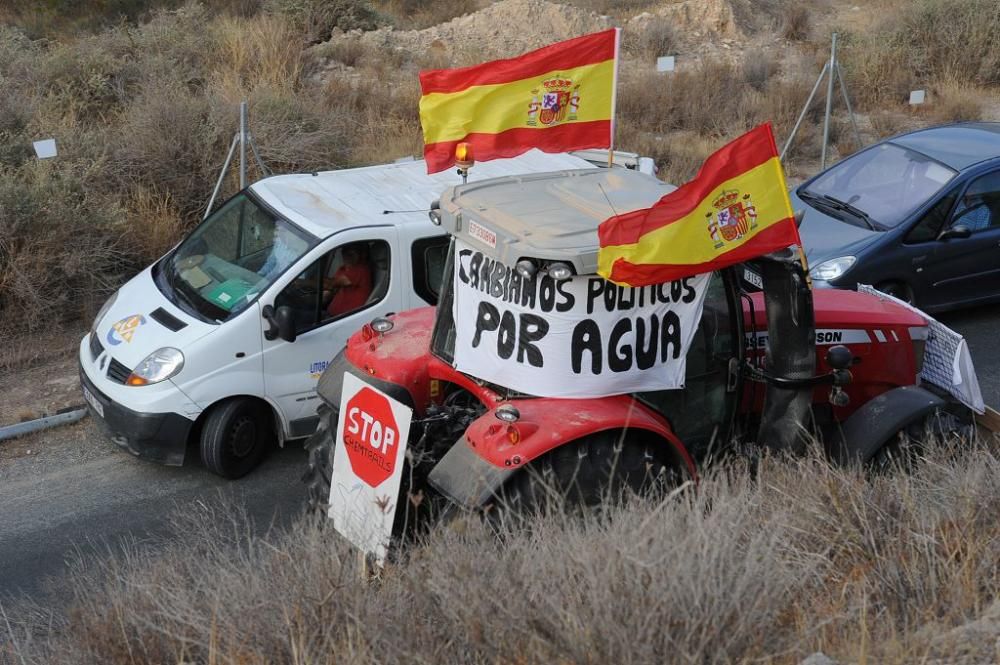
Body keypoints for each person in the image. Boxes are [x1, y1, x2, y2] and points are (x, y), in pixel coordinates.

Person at [325, 243, 373, 317]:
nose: (347, 255)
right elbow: (332, 287)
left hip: (340, 319)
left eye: (352, 252)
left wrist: (303, 282)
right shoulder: (343, 269)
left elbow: (330, 284)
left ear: (362, 254)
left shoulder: (361, 269)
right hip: (331, 314)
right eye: (344, 251)